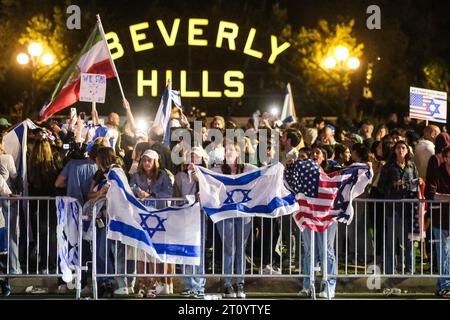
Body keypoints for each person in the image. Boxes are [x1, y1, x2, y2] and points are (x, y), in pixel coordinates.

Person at [212, 140, 257, 298]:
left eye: (231, 150)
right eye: (226, 150)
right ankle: (227, 284)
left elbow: (264, 174)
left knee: (240, 249)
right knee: (229, 249)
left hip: (244, 215)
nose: (228, 152)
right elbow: (206, 179)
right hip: (225, 214)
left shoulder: (247, 169)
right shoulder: (218, 170)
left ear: (238, 153)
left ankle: (240, 283)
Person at [129, 149, 174, 297]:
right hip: (140, 219)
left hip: (157, 218)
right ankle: (141, 284)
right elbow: (130, 188)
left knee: (153, 253)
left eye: (150, 160)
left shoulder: (163, 175)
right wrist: (138, 192)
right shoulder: (136, 176)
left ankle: (152, 284)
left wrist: (152, 195)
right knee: (141, 253)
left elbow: (168, 192)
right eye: (145, 160)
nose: (147, 163)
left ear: (155, 162)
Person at [297, 146, 337, 299]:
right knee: (308, 251)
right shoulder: (304, 172)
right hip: (309, 215)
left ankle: (329, 285)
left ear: (323, 157)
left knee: (326, 250)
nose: (314, 155)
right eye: (312, 153)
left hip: (328, 217)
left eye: (317, 153)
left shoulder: (332, 170)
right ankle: (307, 285)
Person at [378, 140, 420, 276]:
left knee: (409, 240)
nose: (401, 150)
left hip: (408, 207)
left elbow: (416, 184)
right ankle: (390, 270)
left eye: (403, 147)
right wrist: (393, 185)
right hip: (392, 207)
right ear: (394, 150)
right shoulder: (388, 167)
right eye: (398, 148)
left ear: (407, 150)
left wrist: (418, 182)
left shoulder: (411, 166)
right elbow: (380, 187)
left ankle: (410, 269)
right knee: (391, 240)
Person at [174, 147, 208, 298]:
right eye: (191, 156)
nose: (193, 159)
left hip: (199, 217)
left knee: (198, 250)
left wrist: (199, 181)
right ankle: (188, 284)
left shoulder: (207, 176)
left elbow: (209, 195)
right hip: (184, 216)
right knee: (185, 250)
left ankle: (198, 285)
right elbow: (175, 196)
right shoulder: (180, 176)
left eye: (197, 157)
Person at [424, 146, 450, 298]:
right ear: (445, 158)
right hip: (440, 218)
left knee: (447, 254)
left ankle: (441, 286)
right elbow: (430, 193)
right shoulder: (438, 172)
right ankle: (445, 285)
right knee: (443, 253)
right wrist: (447, 198)